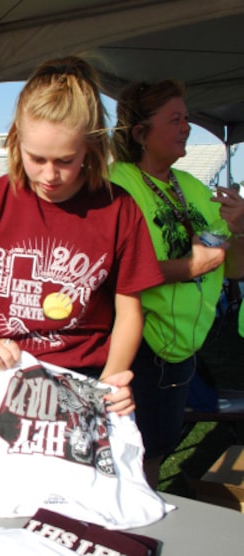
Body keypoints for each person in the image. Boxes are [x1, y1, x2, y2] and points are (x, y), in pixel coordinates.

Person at [0, 56, 164, 418]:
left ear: (90, 148)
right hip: (3, 372)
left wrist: (112, 378)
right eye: (36, 158)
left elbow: (130, 312)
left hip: (84, 377)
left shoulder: (119, 209)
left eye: (66, 161)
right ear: (15, 141)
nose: (50, 175)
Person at [109, 80, 244, 487]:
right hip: (136, 347)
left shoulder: (193, 188)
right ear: (140, 133)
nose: (187, 127)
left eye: (187, 118)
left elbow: (234, 269)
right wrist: (190, 267)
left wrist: (240, 230)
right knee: (121, 456)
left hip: (182, 349)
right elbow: (111, 272)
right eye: (175, 119)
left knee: (156, 452)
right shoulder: (116, 185)